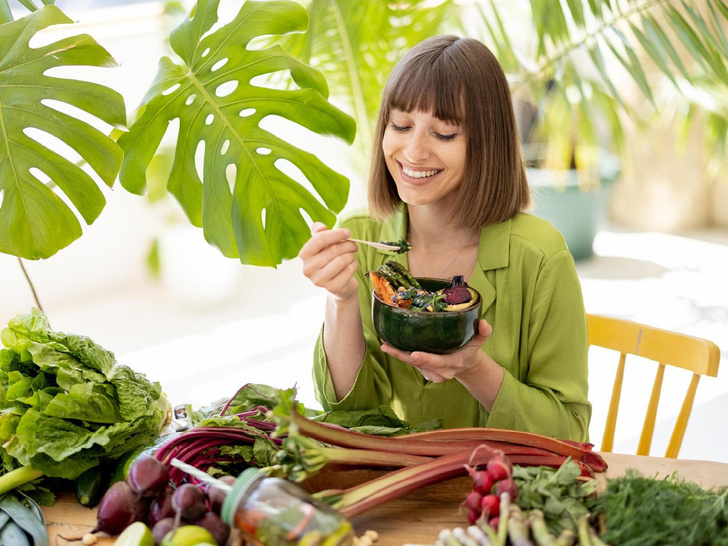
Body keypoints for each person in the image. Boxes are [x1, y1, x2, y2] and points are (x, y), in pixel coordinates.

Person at [298, 35, 591, 441]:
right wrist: (342, 299)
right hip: (390, 484)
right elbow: (348, 414)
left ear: (487, 143)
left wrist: (473, 369)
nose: (413, 152)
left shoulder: (540, 257)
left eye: (445, 133)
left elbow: (569, 435)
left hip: (501, 494)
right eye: (400, 125)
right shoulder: (361, 235)